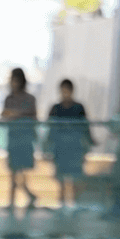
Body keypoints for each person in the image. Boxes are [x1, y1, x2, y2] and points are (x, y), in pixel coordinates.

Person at [47, 78, 92, 209]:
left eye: (67, 91)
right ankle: (61, 205)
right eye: (62, 91)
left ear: (72, 91)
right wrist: (48, 148)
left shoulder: (79, 108)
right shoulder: (55, 108)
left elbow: (85, 127)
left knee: (75, 179)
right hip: (61, 148)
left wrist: (89, 142)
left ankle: (74, 205)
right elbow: (51, 129)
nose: (64, 94)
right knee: (61, 179)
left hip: (75, 148)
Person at [1, 67, 38, 212]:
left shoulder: (30, 99)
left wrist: (16, 114)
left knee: (19, 172)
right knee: (14, 171)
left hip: (25, 139)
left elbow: (33, 117)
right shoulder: (9, 99)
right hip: (13, 138)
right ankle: (23, 198)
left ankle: (15, 201)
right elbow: (4, 116)